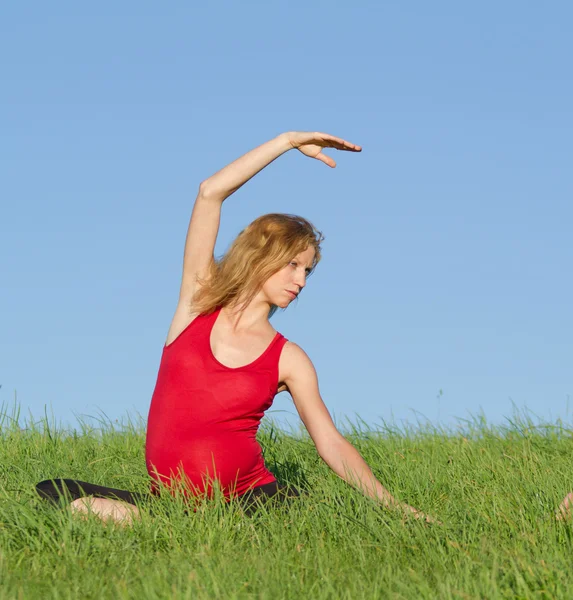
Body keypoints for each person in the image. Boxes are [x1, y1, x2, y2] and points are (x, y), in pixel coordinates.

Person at [36, 131, 435, 525]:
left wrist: (397, 508)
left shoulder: (289, 358)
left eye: (308, 271)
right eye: (292, 264)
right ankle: (170, 522)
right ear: (261, 254)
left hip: (250, 499)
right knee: (57, 493)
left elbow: (329, 443)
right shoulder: (197, 303)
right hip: (172, 499)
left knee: (288, 514)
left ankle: (183, 526)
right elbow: (210, 192)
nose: (301, 281)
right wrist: (288, 142)